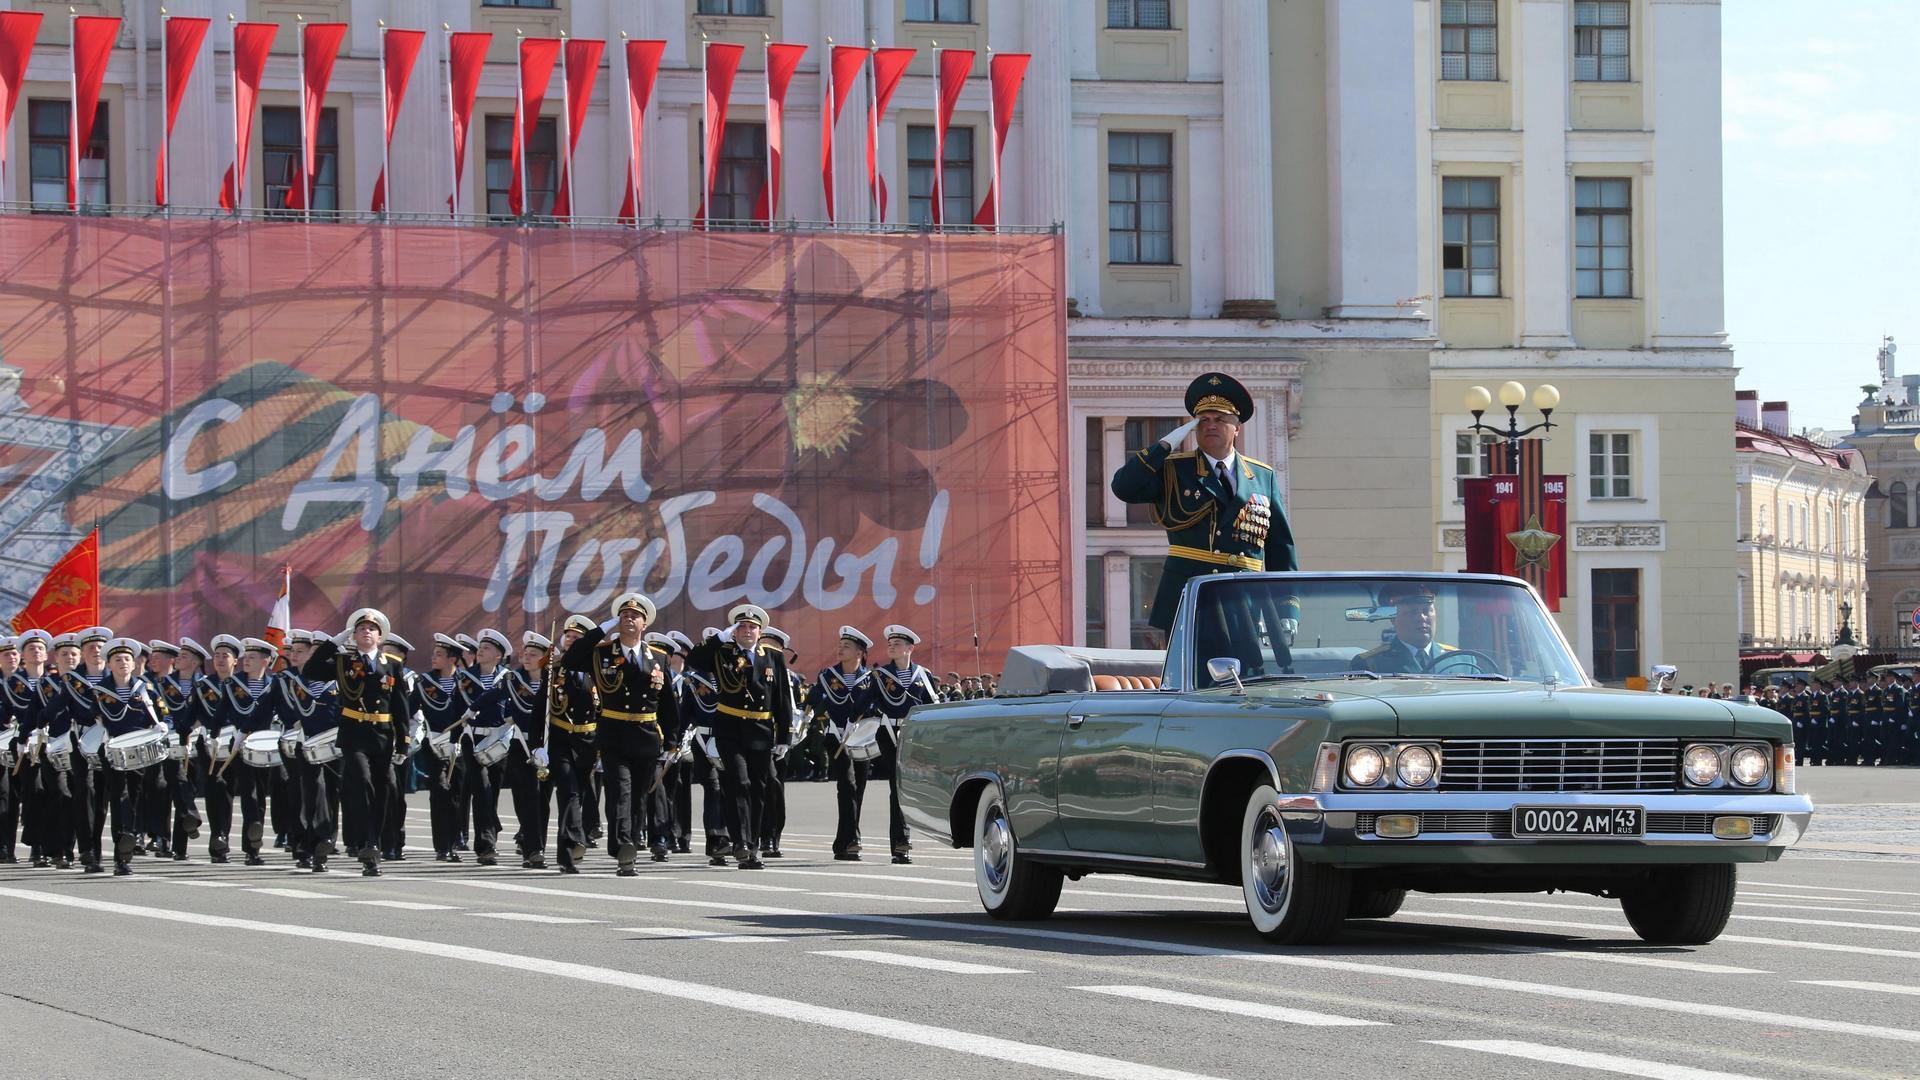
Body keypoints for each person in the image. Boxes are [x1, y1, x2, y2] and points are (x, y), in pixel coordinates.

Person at [1109, 371, 1297, 637]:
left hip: (1246, 599)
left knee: (1249, 675)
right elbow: (1123, 487)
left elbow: (1280, 546)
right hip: (1189, 595)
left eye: (1220, 419)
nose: (1210, 425)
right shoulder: (1175, 469)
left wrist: (1286, 609)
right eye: (1203, 420)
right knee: (1191, 675)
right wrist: (1163, 445)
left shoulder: (1261, 475)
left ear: (1237, 427)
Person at [562, 592, 680, 876]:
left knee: (639, 796)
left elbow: (667, 703)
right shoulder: (601, 652)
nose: (629, 619)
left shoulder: (658, 659)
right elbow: (570, 660)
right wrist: (600, 629)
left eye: (635, 616)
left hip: (646, 735)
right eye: (624, 615)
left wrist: (672, 740)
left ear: (644, 624)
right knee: (620, 792)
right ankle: (623, 846)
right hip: (613, 734)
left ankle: (629, 844)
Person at [304, 610, 410, 877]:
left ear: (379, 636)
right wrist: (334, 641)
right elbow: (311, 671)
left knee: (383, 791)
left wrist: (403, 743)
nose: (366, 632)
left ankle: (372, 846)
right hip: (354, 733)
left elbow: (400, 706)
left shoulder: (392, 664)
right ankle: (364, 841)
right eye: (360, 628)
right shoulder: (344, 661)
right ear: (354, 635)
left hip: (383, 735)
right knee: (363, 781)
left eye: (371, 629)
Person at [687, 604, 790, 871]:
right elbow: (694, 659)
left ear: (760, 631)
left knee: (758, 788)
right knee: (738, 782)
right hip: (730, 729)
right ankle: (740, 842)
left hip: (761, 731)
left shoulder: (773, 657)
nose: (747, 631)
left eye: (752, 627)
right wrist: (720, 637)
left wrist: (785, 736)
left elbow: (782, 699)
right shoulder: (722, 652)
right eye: (741, 627)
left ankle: (752, 847)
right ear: (734, 631)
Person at [868, 625, 937, 865]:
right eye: (890, 643)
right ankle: (900, 843)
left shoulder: (923, 675)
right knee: (897, 786)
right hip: (889, 733)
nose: (891, 646)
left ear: (910, 648)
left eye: (897, 643)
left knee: (908, 787)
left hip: (915, 735)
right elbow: (864, 703)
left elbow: (933, 705)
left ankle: (905, 837)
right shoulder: (879, 675)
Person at [809, 626, 873, 860]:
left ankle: (843, 844)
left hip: (862, 740)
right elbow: (814, 701)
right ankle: (853, 839)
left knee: (859, 789)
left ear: (859, 652)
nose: (840, 649)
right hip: (836, 738)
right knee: (847, 785)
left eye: (846, 647)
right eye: (840, 645)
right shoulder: (827, 676)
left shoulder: (870, 679)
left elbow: (875, 706)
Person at [543, 616, 600, 873]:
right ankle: (569, 849)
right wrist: (537, 744)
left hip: (587, 741)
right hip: (560, 739)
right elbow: (540, 709)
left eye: (578, 639)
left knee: (582, 793)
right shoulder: (554, 668)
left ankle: (575, 839)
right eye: (569, 637)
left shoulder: (597, 669)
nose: (571, 641)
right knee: (568, 791)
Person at [1354, 584, 1459, 674]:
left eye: (1426, 611)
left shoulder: (1461, 659)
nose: (1422, 617)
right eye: (1413, 612)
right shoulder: (1370, 665)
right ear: (1393, 618)